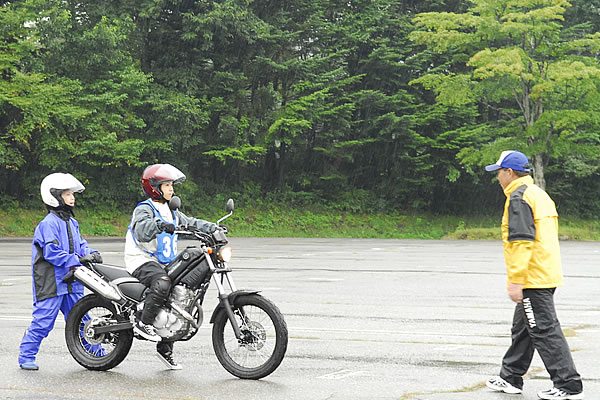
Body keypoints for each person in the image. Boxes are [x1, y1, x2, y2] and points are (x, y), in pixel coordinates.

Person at [484, 151, 584, 400]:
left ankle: (568, 384)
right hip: (544, 272)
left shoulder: (518, 197)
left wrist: (516, 279)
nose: (497, 176)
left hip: (532, 277)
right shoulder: (537, 193)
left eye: (499, 171)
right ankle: (510, 377)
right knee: (524, 329)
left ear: (509, 172)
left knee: (544, 330)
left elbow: (521, 241)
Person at [124, 163, 218, 370]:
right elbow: (141, 231)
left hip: (163, 261)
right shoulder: (144, 209)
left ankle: (165, 348)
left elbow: (191, 223)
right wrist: (158, 225)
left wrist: (213, 228)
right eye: (167, 185)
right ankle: (143, 322)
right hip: (141, 259)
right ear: (155, 187)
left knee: (179, 294)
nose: (172, 189)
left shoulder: (171, 211)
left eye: (172, 185)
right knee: (163, 282)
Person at [18, 173, 102, 371]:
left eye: (72, 194)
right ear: (54, 196)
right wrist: (78, 260)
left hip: (73, 282)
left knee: (81, 320)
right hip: (51, 283)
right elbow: (52, 252)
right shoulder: (48, 224)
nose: (72, 198)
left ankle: (95, 354)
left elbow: (81, 245)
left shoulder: (72, 223)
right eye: (67, 194)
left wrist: (91, 253)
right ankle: (26, 356)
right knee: (44, 321)